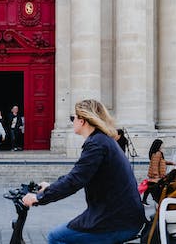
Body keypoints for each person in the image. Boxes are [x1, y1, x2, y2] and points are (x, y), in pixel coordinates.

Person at [21, 99, 145, 244]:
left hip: (115, 221)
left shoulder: (96, 144)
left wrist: (39, 198)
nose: (72, 121)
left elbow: (75, 181)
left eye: (73, 118)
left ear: (83, 121)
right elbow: (78, 174)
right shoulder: (102, 140)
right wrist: (51, 187)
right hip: (121, 216)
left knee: (56, 237)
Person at [142, 138, 174, 205]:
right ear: (158, 145)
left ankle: (145, 200)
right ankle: (157, 200)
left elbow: (161, 161)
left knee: (150, 187)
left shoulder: (156, 153)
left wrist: (170, 163)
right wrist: (156, 175)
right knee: (155, 188)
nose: (163, 147)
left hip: (155, 174)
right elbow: (155, 164)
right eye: (162, 145)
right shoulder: (158, 153)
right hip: (156, 175)